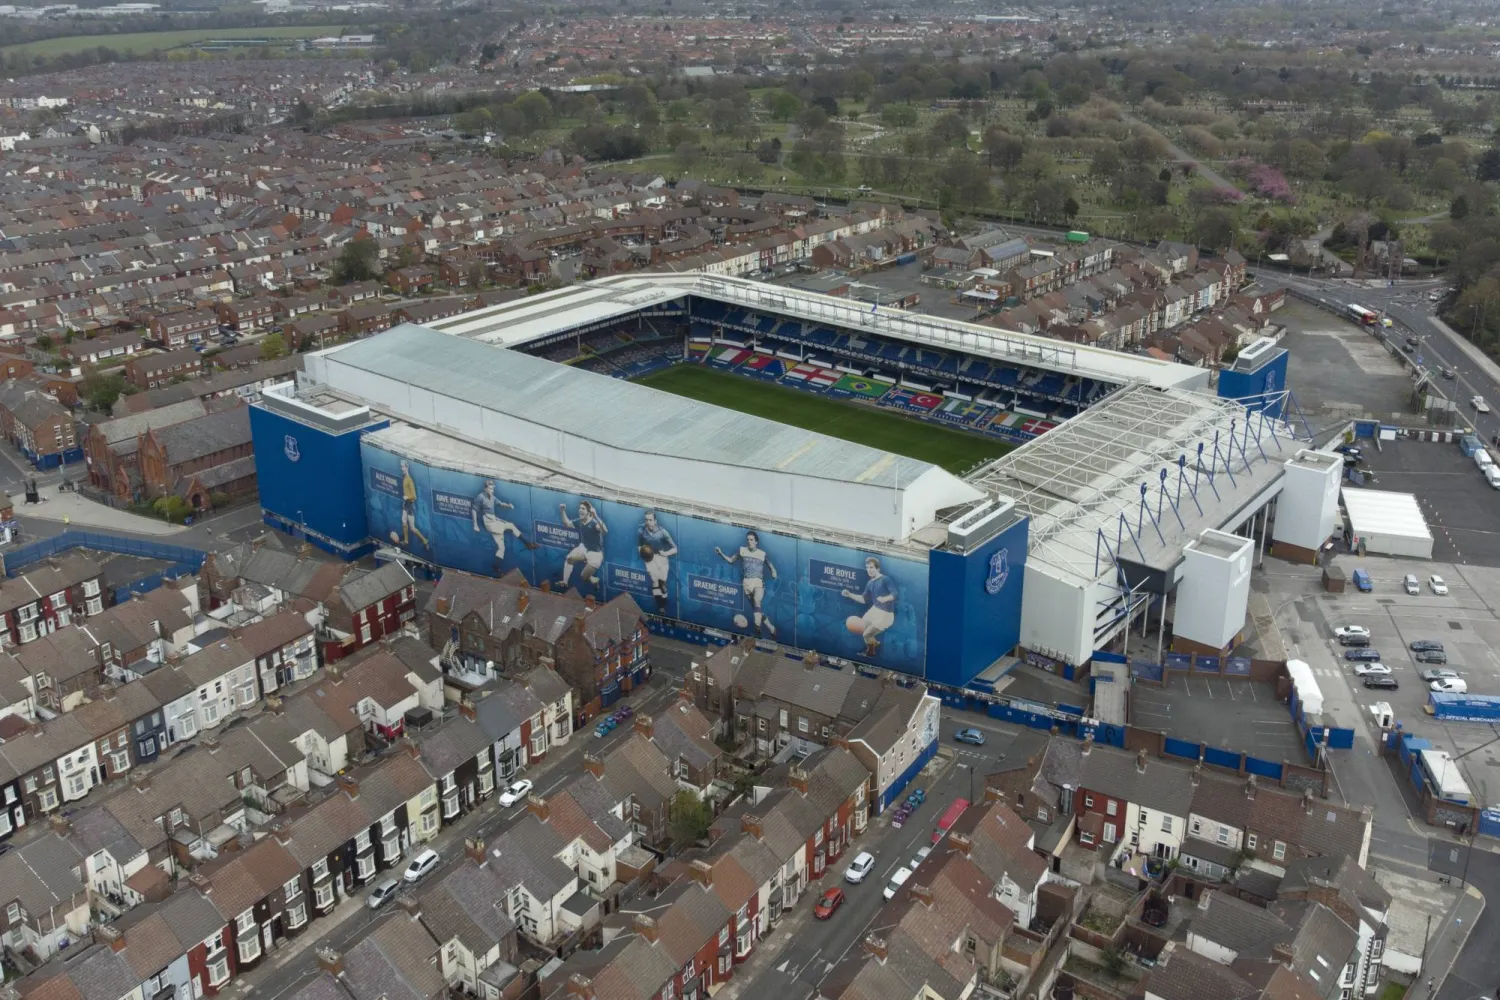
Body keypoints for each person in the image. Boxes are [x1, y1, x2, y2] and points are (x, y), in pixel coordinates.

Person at [715, 530, 778, 637]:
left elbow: (770, 565)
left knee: (757, 602)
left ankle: (757, 626)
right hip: (746, 583)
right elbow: (731, 560)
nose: (749, 541)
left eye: (751, 540)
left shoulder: (762, 554)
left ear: (756, 542)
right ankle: (771, 628)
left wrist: (773, 571)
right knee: (757, 610)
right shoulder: (742, 550)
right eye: (748, 539)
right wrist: (721, 553)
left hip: (758, 582)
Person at [841, 556, 898, 658]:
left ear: (878, 568)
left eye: (871, 567)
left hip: (886, 615)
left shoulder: (885, 579)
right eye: (867, 567)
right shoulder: (870, 583)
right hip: (875, 610)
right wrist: (849, 594)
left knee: (866, 634)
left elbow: (895, 594)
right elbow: (863, 599)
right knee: (862, 627)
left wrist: (885, 599)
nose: (869, 570)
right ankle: (875, 643)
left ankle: (871, 652)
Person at [472, 480, 533, 571]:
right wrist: (475, 524)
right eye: (490, 488)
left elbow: (500, 503)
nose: (492, 490)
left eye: (493, 489)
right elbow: (474, 510)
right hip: (489, 522)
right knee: (511, 526)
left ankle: (496, 566)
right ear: (485, 488)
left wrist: (508, 505)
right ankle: (527, 544)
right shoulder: (480, 497)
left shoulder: (492, 497)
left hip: (494, 521)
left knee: (501, 548)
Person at [559, 500, 607, 593]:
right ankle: (565, 582)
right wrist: (562, 510)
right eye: (579, 508)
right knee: (569, 558)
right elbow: (567, 523)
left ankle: (594, 580)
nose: (580, 510)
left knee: (584, 577)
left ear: (589, 512)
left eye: (583, 509)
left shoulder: (594, 524)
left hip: (595, 554)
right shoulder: (580, 521)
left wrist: (596, 516)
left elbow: (605, 531)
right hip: (584, 548)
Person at [636, 511, 677, 615]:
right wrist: (642, 553)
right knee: (655, 582)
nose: (648, 522)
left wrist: (666, 553)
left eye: (650, 520)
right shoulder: (641, 531)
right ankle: (661, 606)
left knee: (662, 584)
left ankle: (664, 600)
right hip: (650, 559)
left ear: (655, 521)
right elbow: (640, 545)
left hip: (661, 558)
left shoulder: (663, 532)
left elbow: (675, 549)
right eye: (646, 519)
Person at [399, 461, 429, 549]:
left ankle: (425, 540)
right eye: (401, 467)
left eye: (403, 467)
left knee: (412, 528)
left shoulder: (409, 480)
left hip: (410, 505)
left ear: (407, 467)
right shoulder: (404, 478)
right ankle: (406, 541)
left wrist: (406, 497)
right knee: (404, 521)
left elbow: (414, 496)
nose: (402, 468)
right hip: (406, 504)